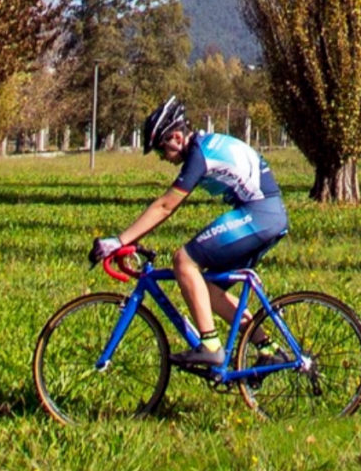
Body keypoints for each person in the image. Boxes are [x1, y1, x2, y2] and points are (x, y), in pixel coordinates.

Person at [88, 95, 289, 370]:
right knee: (208, 288)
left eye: (162, 150)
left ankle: (210, 346)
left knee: (184, 260)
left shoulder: (199, 154)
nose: (163, 158)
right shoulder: (205, 146)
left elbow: (165, 206)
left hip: (259, 214)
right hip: (266, 214)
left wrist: (119, 241)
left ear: (177, 137)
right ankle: (268, 349)